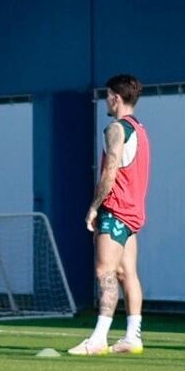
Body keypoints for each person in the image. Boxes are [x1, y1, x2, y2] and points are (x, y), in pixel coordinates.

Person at [71, 73, 150, 356]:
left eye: (107, 95)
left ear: (116, 97)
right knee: (127, 272)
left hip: (116, 209)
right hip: (133, 212)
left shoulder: (116, 128)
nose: (106, 100)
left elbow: (110, 169)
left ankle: (99, 338)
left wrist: (94, 206)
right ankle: (132, 336)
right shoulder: (140, 129)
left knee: (104, 271)